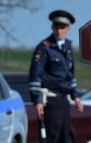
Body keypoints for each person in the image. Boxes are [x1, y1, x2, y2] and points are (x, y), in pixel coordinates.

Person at [28, 10, 83, 143]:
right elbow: (35, 75)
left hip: (64, 100)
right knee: (52, 136)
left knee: (66, 137)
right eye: (56, 26)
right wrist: (38, 100)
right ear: (52, 27)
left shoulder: (68, 47)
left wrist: (75, 96)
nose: (59, 30)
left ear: (68, 29)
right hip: (51, 100)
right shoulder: (44, 47)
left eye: (62, 27)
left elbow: (70, 74)